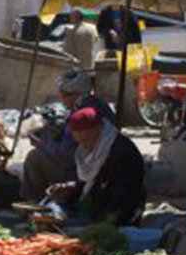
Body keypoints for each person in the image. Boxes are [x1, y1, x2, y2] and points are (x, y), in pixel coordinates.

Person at [20, 69, 115, 202]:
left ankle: (35, 202)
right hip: (94, 167)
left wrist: (44, 145)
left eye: (65, 95)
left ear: (78, 94)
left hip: (88, 171)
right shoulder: (97, 104)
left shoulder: (83, 114)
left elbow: (69, 153)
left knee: (35, 157)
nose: (61, 98)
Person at [47, 107, 145, 227]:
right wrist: (70, 187)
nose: (84, 145)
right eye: (79, 141)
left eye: (86, 139)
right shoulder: (89, 149)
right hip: (93, 208)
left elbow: (123, 197)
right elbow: (90, 182)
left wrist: (99, 226)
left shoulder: (121, 153)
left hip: (116, 215)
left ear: (98, 129)